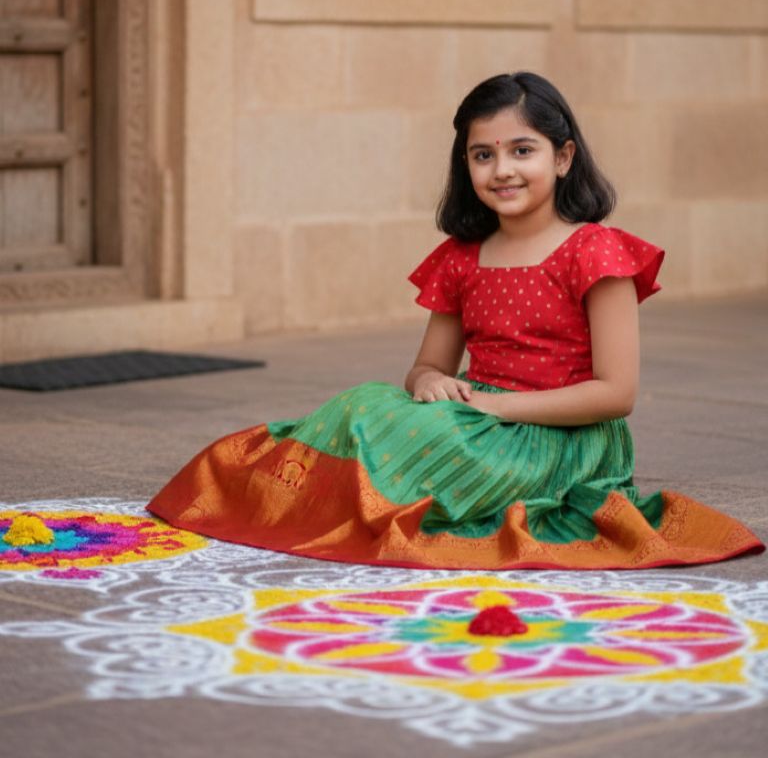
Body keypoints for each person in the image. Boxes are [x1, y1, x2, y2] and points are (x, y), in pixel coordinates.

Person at [148, 72, 764, 569]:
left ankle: (354, 500)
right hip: (475, 416)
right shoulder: (461, 258)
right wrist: (429, 386)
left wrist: (493, 410)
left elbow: (616, 394)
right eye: (483, 155)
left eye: (523, 150)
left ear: (564, 156)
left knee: (413, 449)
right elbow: (427, 367)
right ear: (465, 165)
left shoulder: (596, 252)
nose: (503, 170)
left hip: (561, 440)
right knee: (365, 404)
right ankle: (259, 494)